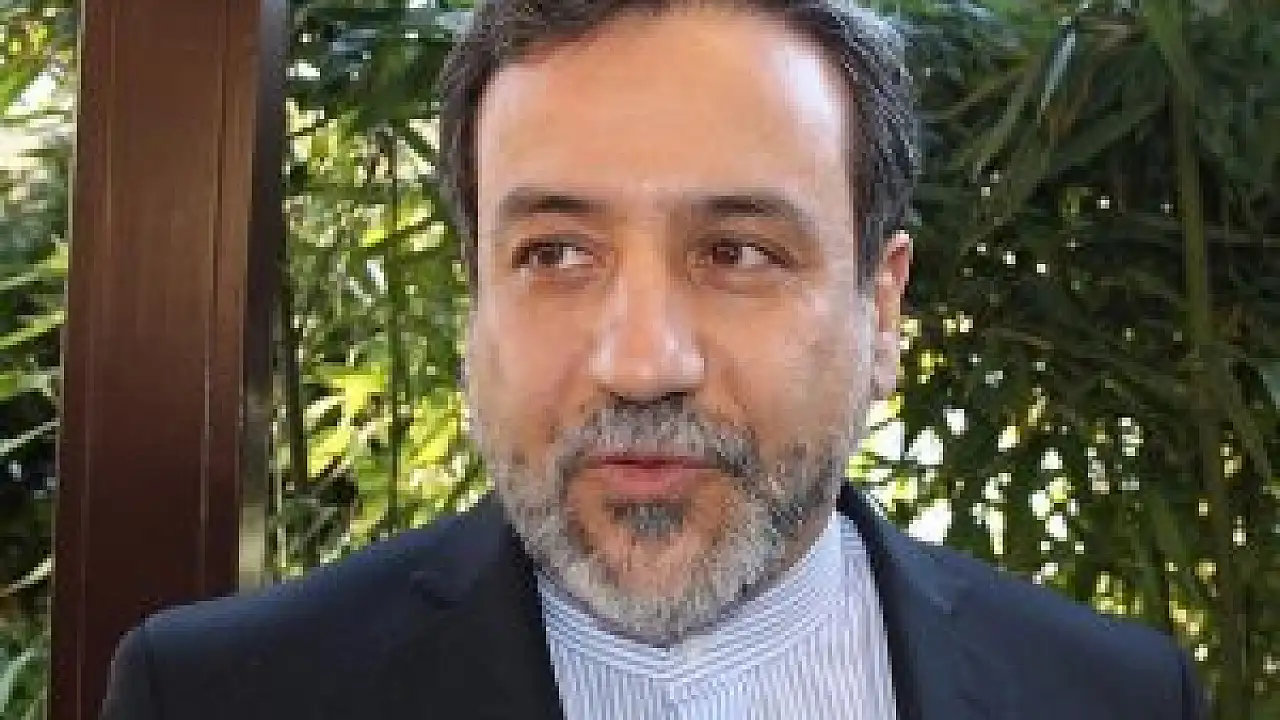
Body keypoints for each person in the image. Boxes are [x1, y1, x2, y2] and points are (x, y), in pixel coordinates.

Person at [100, 1, 1206, 718]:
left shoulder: (1113, 699)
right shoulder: (215, 698)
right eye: (555, 253)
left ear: (881, 309)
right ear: (475, 299)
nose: (641, 362)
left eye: (737, 252)